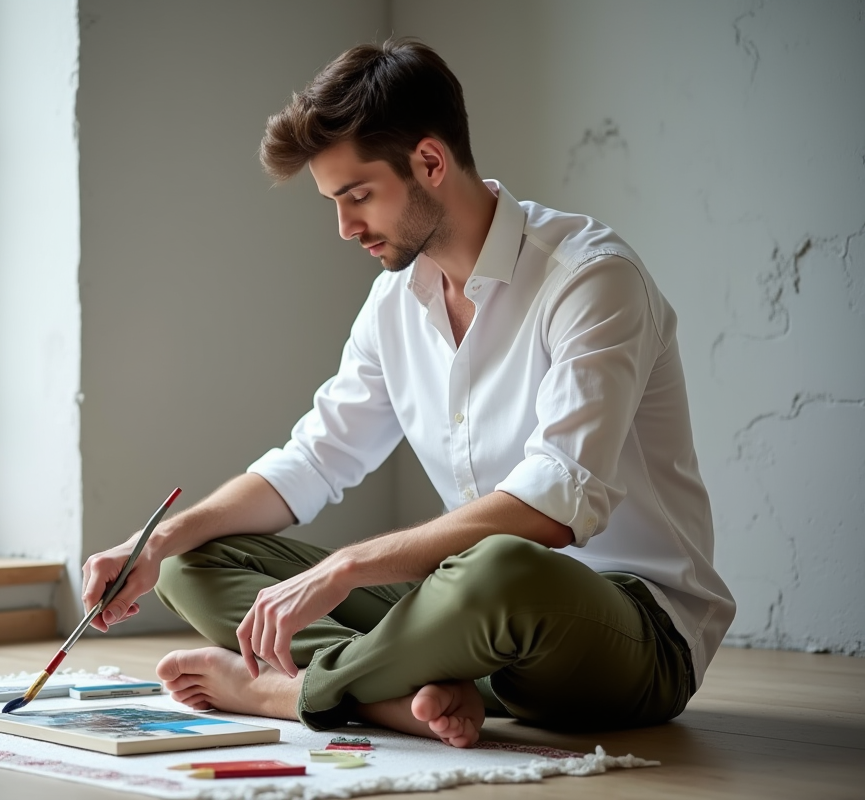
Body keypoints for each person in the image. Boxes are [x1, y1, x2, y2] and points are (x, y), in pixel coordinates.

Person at [81, 38, 735, 748]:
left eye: (358, 196)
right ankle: (400, 693)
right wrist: (155, 541)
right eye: (334, 202)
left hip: (629, 632)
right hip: (462, 624)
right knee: (193, 560)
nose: (345, 227)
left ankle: (296, 692)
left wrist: (347, 566)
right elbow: (313, 459)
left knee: (503, 565)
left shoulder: (590, 279)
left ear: (430, 161)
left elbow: (554, 505)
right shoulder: (395, 303)